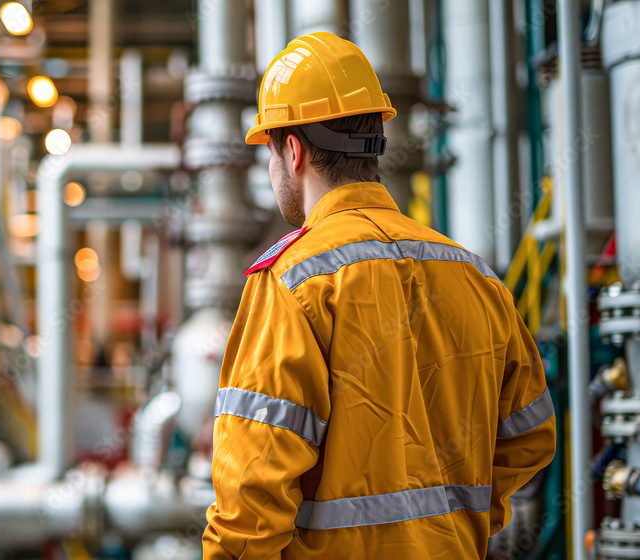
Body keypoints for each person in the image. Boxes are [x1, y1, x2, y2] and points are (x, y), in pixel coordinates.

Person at [201, 32, 556, 559]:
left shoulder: (293, 283)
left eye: (271, 152)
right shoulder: (475, 277)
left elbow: (250, 504)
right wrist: (457, 521)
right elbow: (530, 435)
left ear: (292, 150)